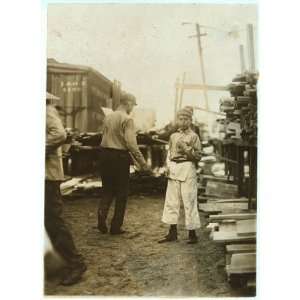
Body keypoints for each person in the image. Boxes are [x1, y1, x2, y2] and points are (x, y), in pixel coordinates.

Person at [45, 92, 87, 285]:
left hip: (47, 176)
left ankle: (75, 263)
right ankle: (57, 264)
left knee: (53, 221)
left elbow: (60, 135)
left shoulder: (45, 111)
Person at [97, 92, 150, 235]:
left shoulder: (108, 117)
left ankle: (102, 213)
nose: (133, 108)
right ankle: (115, 227)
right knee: (122, 193)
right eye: (133, 105)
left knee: (107, 189)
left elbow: (104, 135)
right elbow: (131, 144)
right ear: (128, 103)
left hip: (104, 154)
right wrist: (143, 163)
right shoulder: (127, 119)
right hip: (119, 157)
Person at [158, 107, 202, 244]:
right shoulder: (173, 136)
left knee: (189, 200)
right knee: (171, 201)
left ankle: (192, 233)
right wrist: (167, 166)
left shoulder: (194, 136)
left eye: (186, 119)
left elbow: (198, 156)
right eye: (180, 119)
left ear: (190, 120)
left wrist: (186, 149)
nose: (183, 122)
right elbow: (169, 153)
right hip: (174, 168)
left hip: (188, 167)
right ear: (177, 120)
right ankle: (172, 232)